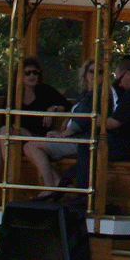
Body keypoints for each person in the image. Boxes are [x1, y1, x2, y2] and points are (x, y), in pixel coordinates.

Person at [0, 58, 67, 203]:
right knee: (1, 136)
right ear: (20, 76)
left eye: (35, 72)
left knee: (0, 139)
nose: (32, 76)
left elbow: (67, 106)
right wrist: (21, 131)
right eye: (27, 73)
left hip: (38, 136)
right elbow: (6, 120)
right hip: (17, 136)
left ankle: (3, 185)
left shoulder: (45, 91)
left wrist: (53, 109)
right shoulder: (13, 94)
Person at [22, 60, 96, 198]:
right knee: (30, 145)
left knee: (30, 146)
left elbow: (84, 120)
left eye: (101, 72)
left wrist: (63, 134)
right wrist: (63, 126)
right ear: (85, 75)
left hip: (83, 142)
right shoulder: (85, 94)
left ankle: (50, 187)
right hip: (72, 138)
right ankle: (59, 183)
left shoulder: (99, 95)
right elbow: (73, 112)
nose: (96, 75)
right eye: (92, 71)